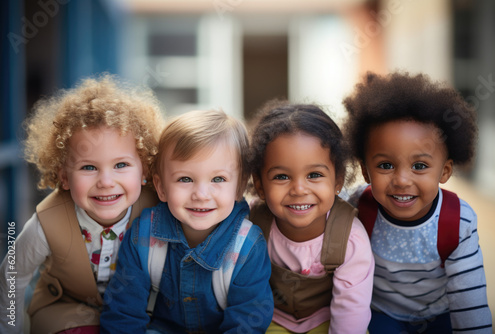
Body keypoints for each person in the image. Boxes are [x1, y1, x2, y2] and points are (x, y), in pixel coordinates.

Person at [0, 74, 165, 334]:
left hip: (140, 311)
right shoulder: (48, 221)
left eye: (121, 165)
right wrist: (10, 328)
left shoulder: (158, 207)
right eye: (89, 167)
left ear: (144, 168)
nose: (106, 181)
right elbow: (12, 274)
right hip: (66, 310)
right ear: (64, 176)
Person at [342, 71, 493, 333]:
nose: (401, 180)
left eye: (419, 165)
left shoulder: (458, 221)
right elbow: (318, 210)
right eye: (385, 165)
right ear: (365, 171)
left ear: (445, 172)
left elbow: (469, 303)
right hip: (382, 314)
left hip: (439, 314)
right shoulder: (357, 205)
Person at [100, 109, 274, 333]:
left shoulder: (247, 247)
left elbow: (247, 322)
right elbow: (123, 313)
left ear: (239, 187)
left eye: (218, 179)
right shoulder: (143, 235)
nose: (201, 194)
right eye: (185, 179)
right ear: (161, 187)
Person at [248, 99, 375, 334]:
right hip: (270, 316)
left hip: (327, 319)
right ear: (260, 185)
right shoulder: (252, 224)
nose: (298, 189)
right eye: (281, 177)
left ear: (337, 180)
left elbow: (350, 313)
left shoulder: (350, 238)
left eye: (314, 174)